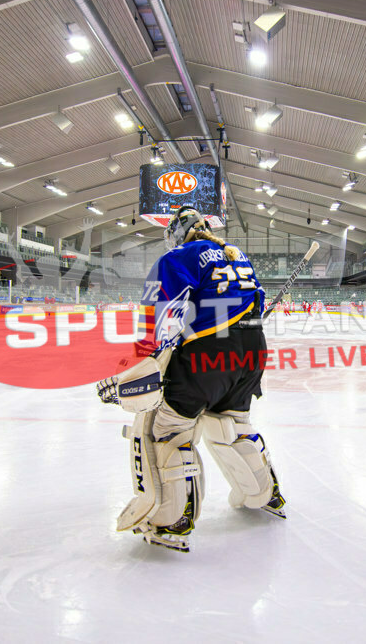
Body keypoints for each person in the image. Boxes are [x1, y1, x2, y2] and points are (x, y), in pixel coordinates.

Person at [115, 206, 285, 553]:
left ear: (177, 232)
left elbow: (158, 313)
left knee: (167, 430)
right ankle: (265, 493)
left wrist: (144, 359)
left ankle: (173, 520)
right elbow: (258, 300)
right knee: (232, 424)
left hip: (210, 353)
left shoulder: (180, 256)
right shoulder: (237, 254)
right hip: (253, 351)